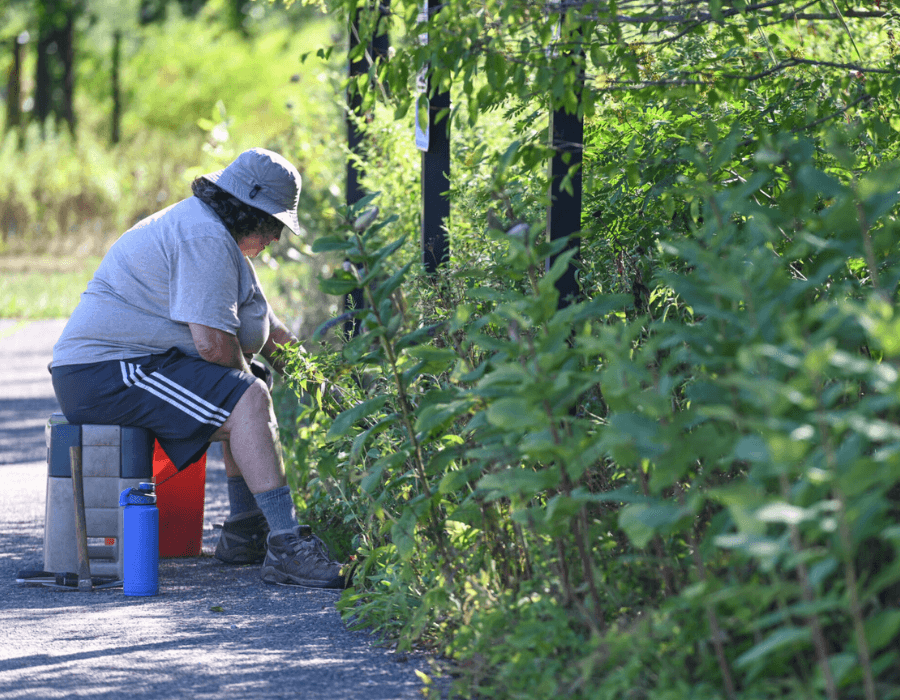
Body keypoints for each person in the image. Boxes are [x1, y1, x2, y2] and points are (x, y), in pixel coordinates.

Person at [50, 148, 347, 589]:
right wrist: (250, 390)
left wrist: (327, 392)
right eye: (274, 225)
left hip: (132, 364)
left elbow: (269, 330)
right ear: (249, 211)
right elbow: (212, 345)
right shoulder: (203, 237)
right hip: (103, 373)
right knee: (245, 393)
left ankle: (247, 530)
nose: (276, 239)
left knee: (249, 385)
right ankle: (287, 546)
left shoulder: (223, 242)